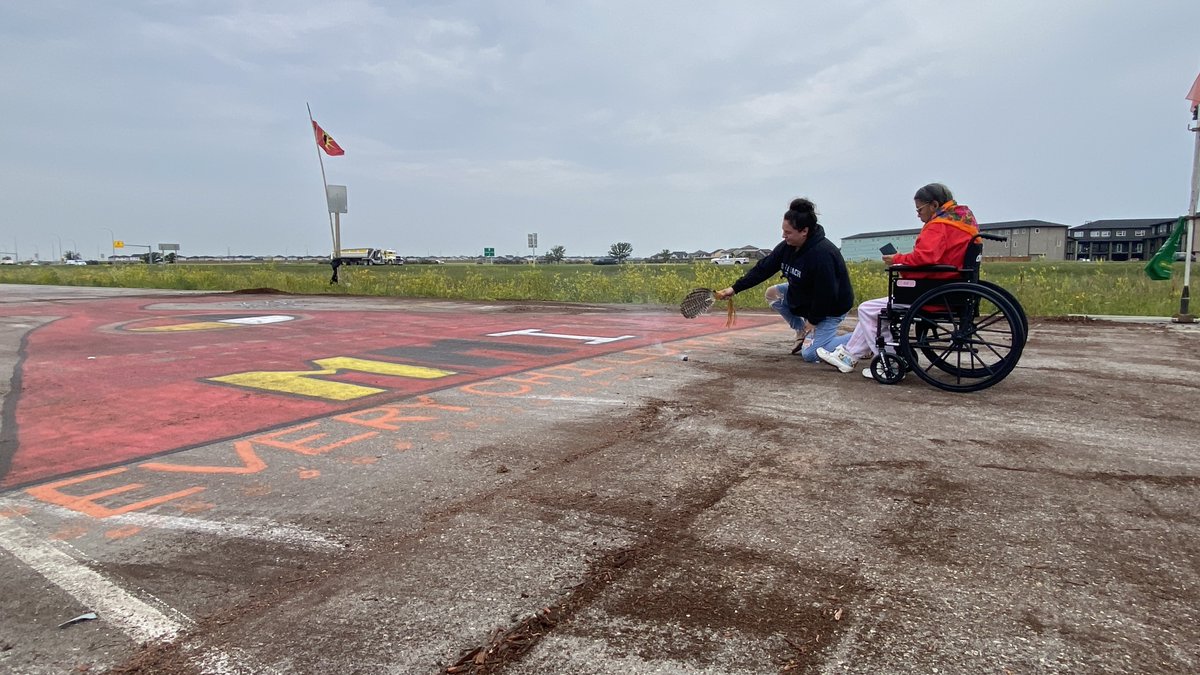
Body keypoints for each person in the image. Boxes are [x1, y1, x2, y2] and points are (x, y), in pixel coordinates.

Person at [817, 183, 979, 377]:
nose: (918, 214)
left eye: (920, 209)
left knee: (867, 309)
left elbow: (925, 258)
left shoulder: (938, 226)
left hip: (932, 292)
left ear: (934, 205)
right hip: (952, 286)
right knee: (874, 310)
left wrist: (897, 260)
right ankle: (848, 356)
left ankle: (889, 363)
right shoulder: (964, 220)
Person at [715, 198, 854, 362]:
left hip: (830, 307)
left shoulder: (822, 255)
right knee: (773, 294)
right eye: (783, 231)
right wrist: (734, 288)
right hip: (807, 295)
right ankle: (801, 331)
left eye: (788, 233)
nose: (783, 236)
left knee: (810, 355)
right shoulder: (787, 247)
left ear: (804, 231)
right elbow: (763, 269)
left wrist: (813, 321)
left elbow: (826, 293)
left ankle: (863, 338)